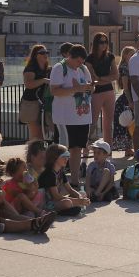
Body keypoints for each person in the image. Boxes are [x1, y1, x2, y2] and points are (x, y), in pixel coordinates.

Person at [49, 43, 95, 185]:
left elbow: (88, 87)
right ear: (70, 56)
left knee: (77, 149)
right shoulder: (59, 68)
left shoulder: (83, 68)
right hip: (65, 117)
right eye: (77, 61)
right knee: (63, 151)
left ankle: (74, 181)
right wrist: (76, 89)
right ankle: (58, 181)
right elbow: (54, 91)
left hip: (82, 116)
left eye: (82, 62)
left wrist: (90, 88)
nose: (79, 64)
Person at [85, 33, 117, 148]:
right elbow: (92, 78)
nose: (104, 45)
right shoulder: (89, 58)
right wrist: (104, 79)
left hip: (109, 91)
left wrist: (101, 79)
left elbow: (115, 75)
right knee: (92, 120)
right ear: (95, 44)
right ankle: (86, 146)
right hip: (96, 92)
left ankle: (107, 147)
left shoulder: (110, 56)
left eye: (106, 42)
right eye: (101, 42)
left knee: (108, 121)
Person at [20, 44, 52, 144]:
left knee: (44, 132)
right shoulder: (30, 68)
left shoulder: (48, 69)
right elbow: (28, 84)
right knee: (35, 134)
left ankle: (41, 155)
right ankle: (32, 156)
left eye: (46, 52)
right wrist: (43, 80)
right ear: (35, 55)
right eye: (42, 53)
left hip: (44, 102)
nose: (45, 54)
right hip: (31, 102)